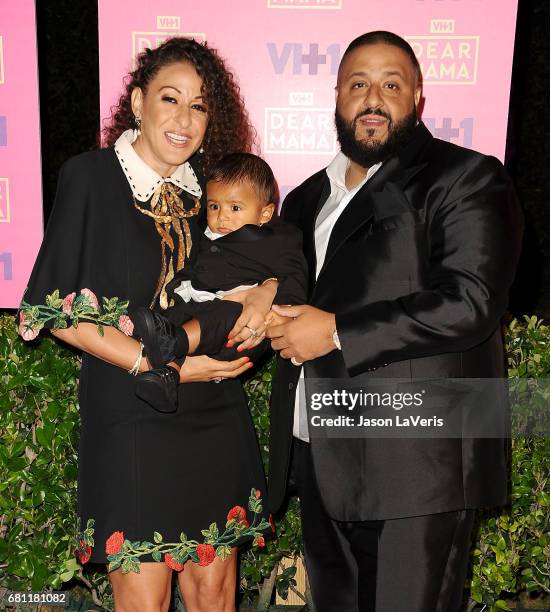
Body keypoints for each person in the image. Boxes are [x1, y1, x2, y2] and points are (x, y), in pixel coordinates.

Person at [266, 31, 523, 612]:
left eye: (391, 84)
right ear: (337, 96)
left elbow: (471, 300)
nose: (373, 98)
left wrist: (334, 331)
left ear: (418, 98)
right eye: (358, 84)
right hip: (320, 455)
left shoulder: (466, 178)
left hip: (417, 469)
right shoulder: (304, 200)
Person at [19, 38, 277, 612]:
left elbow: (270, 262)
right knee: (146, 597)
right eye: (170, 98)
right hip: (131, 407)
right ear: (137, 102)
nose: (184, 118)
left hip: (213, 407)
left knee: (215, 590)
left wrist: (264, 295)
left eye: (200, 105)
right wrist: (160, 363)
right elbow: (59, 312)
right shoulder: (90, 177)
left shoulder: (212, 194)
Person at [131, 152, 308, 414]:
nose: (222, 216)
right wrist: (178, 288)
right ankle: (167, 376)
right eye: (215, 206)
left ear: (265, 213)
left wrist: (275, 309)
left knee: (225, 311)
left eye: (235, 208)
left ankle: (173, 342)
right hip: (203, 309)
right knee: (177, 311)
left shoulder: (278, 239)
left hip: (239, 329)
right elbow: (192, 267)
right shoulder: (205, 233)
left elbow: (295, 278)